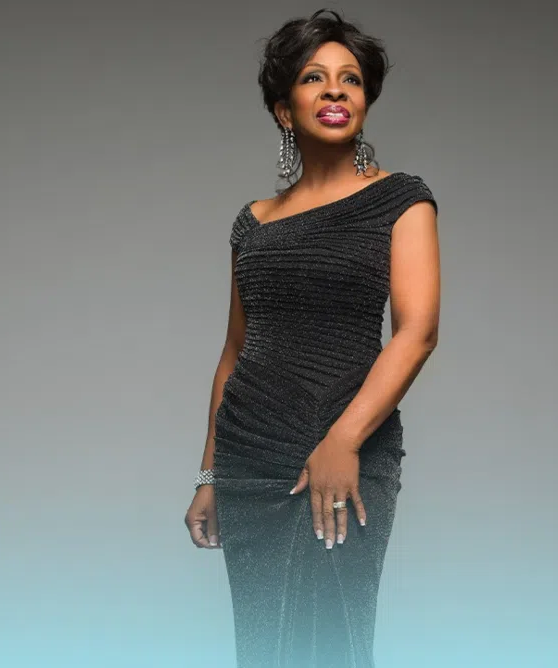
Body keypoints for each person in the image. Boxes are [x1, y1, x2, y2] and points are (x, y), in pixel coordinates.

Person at [184, 8, 440, 667]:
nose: (335, 90)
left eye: (350, 79)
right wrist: (210, 473)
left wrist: (342, 442)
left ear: (365, 101)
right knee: (263, 647)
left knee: (335, 641)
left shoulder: (401, 200)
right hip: (249, 456)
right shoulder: (253, 222)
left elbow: (417, 333)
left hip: (347, 446)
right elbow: (235, 352)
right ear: (283, 110)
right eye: (313, 77)